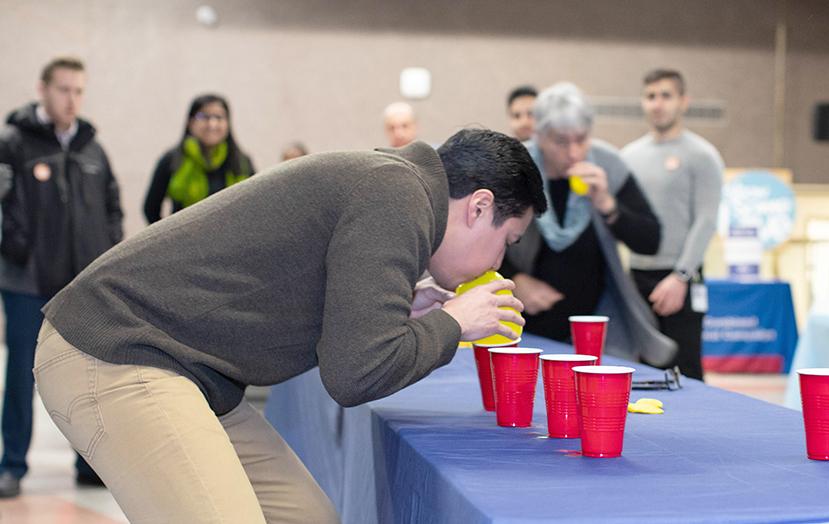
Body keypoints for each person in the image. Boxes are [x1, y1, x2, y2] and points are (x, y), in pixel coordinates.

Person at [33, 129, 546, 521]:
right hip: (115, 347)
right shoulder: (398, 195)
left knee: (305, 517)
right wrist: (453, 323)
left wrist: (409, 313)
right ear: (479, 207)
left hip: (184, 368)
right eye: (511, 239)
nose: (503, 257)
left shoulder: (395, 188)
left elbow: (340, 326)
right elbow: (355, 374)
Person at [0, 56, 123, 497]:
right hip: (26, 282)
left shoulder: (93, 148)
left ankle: (88, 463)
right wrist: (15, 247)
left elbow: (112, 207)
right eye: (63, 90)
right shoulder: (13, 142)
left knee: (85, 376)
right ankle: (11, 463)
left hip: (82, 284)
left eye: (78, 91)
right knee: (20, 375)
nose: (71, 100)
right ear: (43, 89)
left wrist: (106, 254)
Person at [502, 82, 676, 366]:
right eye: (560, 141)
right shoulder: (516, 168)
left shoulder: (607, 163)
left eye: (581, 139)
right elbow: (478, 240)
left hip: (595, 323)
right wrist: (515, 280)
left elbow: (651, 240)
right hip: (523, 325)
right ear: (539, 136)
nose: (574, 152)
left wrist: (609, 205)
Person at [621, 69, 724, 381]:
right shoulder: (628, 157)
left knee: (685, 373)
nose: (657, 104)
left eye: (666, 95)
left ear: (683, 101)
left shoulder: (702, 155)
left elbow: (706, 220)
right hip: (637, 279)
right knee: (640, 373)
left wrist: (681, 276)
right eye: (651, 96)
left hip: (682, 277)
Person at [143, 94, 255, 223]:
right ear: (190, 122)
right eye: (203, 116)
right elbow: (150, 208)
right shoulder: (172, 160)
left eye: (219, 117)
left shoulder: (242, 161)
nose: (212, 124)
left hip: (234, 238)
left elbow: (254, 203)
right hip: (185, 239)